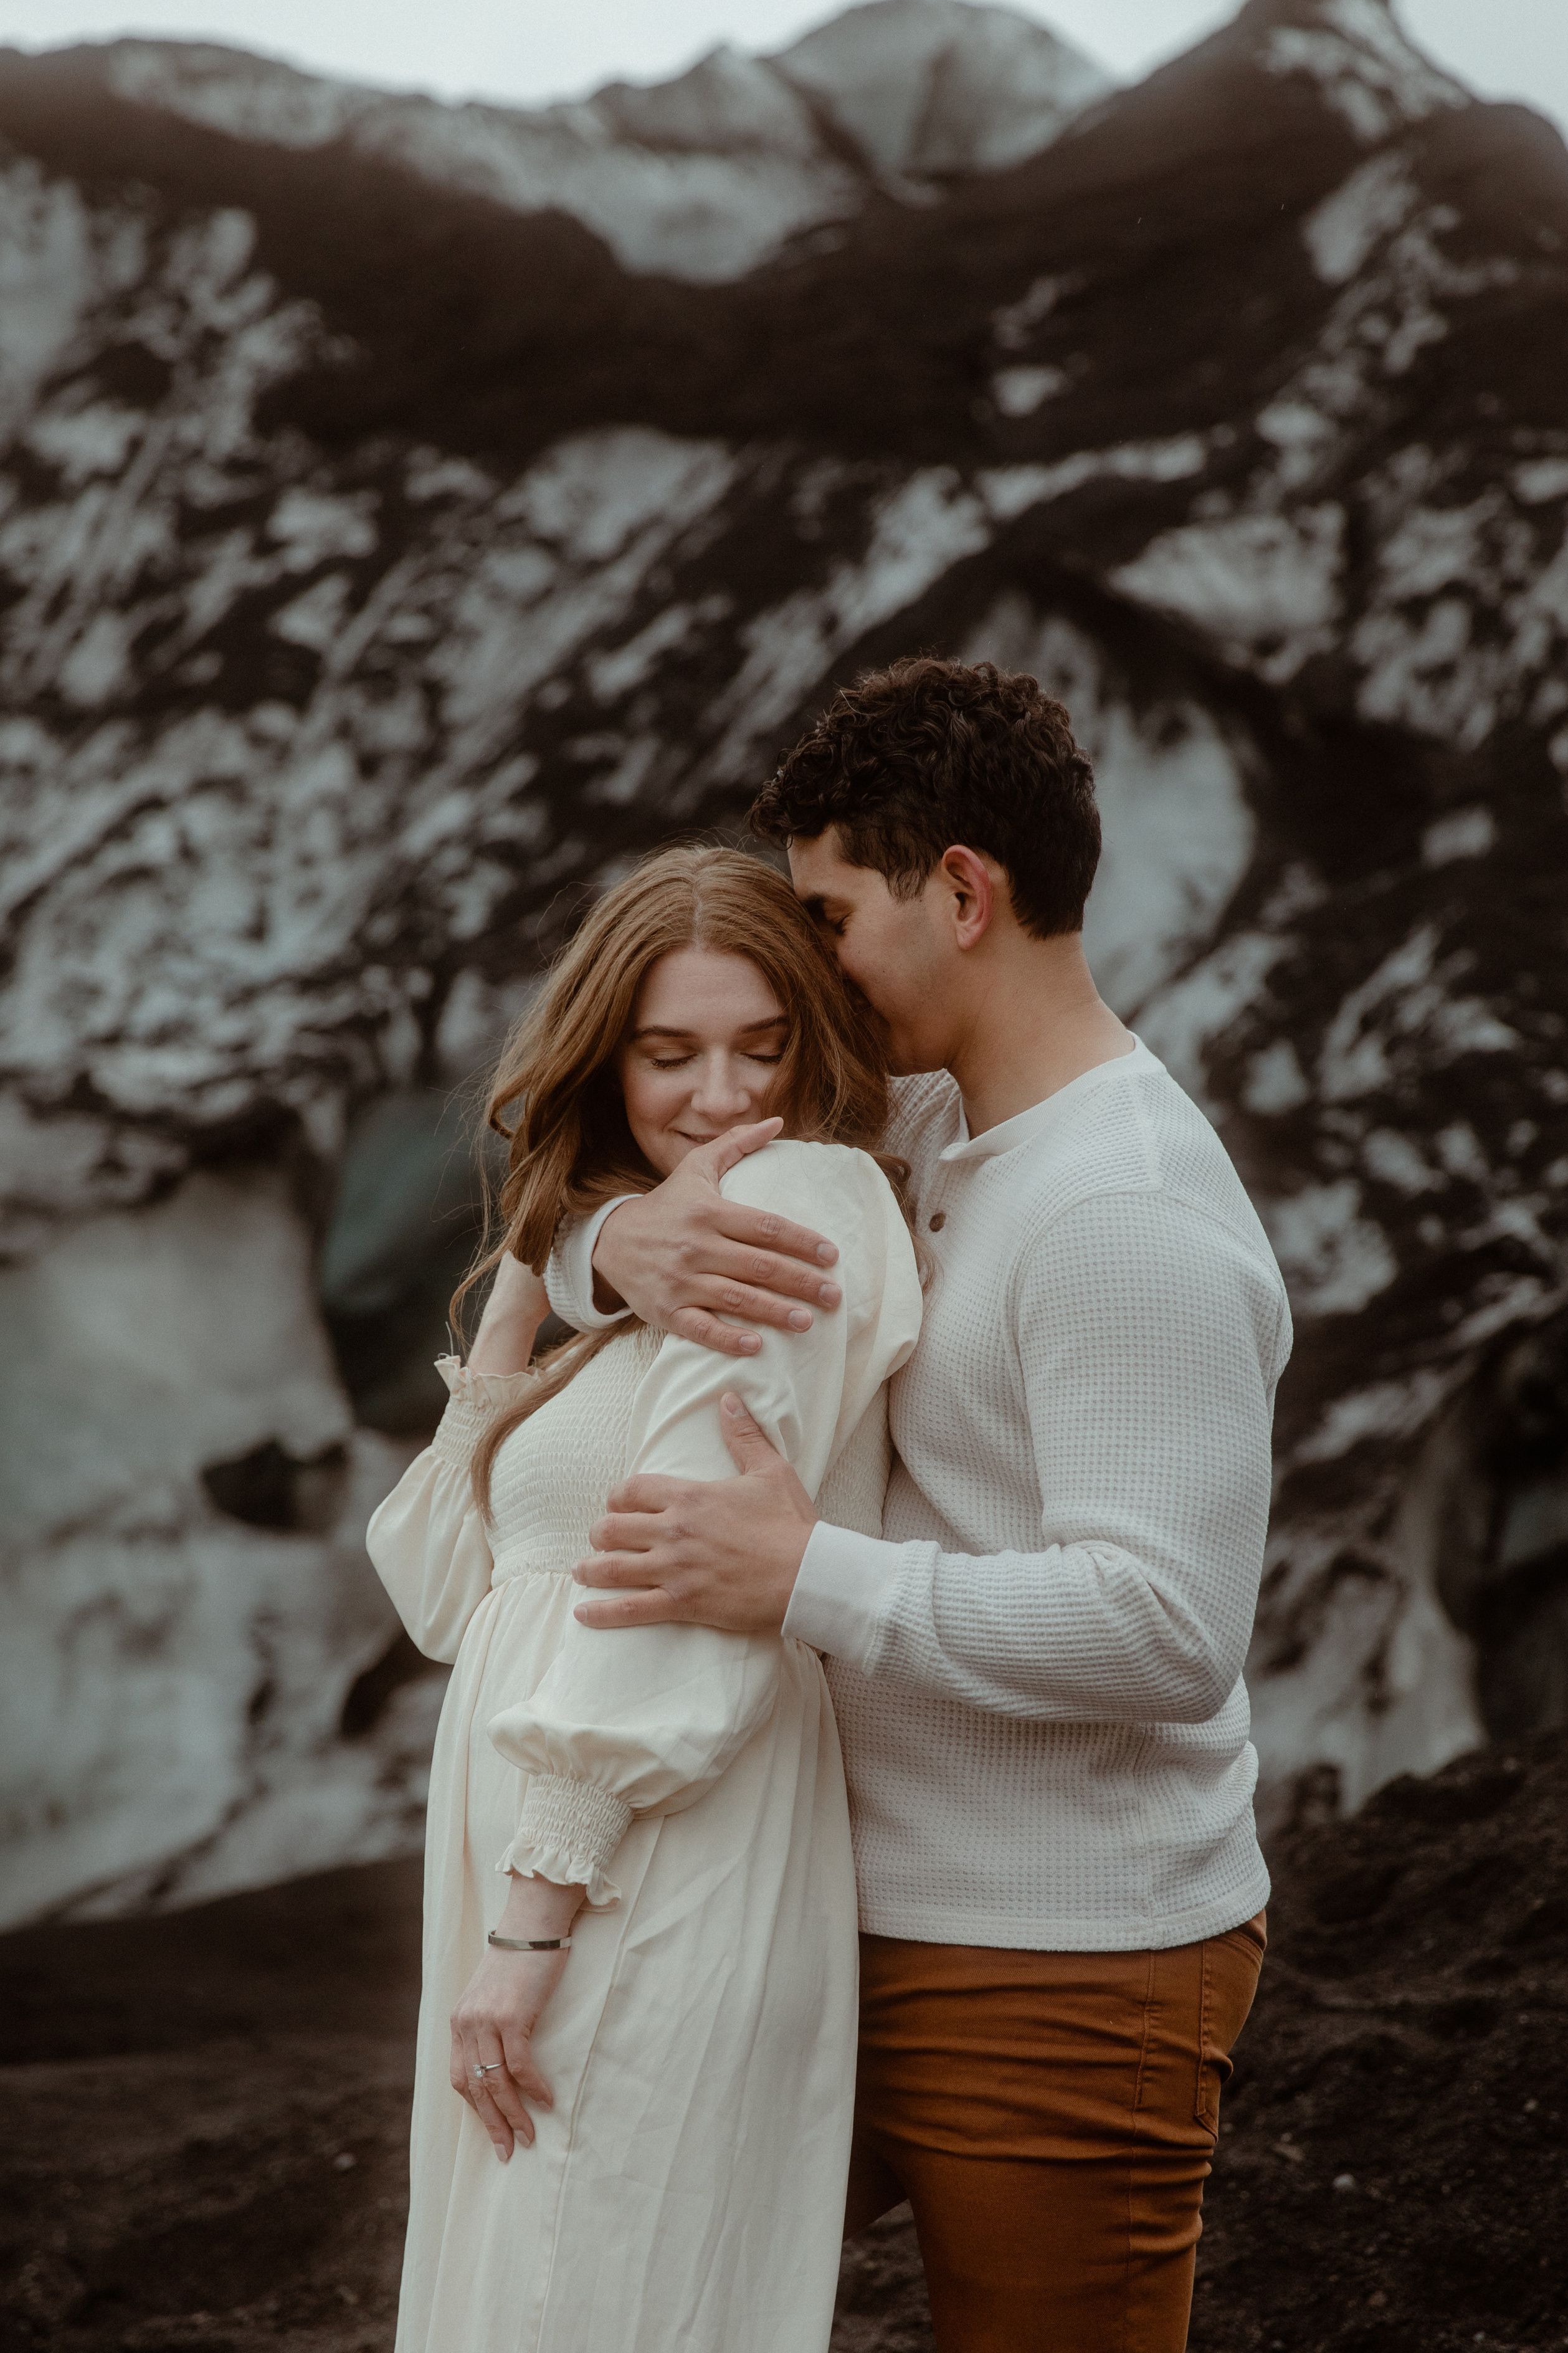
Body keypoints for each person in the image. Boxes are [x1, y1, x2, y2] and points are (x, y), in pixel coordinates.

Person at [544, 658, 1292, 2353]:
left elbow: (1166, 1630)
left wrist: (804, 1574)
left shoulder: (1124, 1214)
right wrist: (603, 1250)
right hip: (854, 1910)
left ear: (962, 892)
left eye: (828, 913)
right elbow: (625, 1169)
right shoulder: (939, 1131)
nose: (807, 963)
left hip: (1061, 1959)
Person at [365, 846, 921, 2353]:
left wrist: (532, 1920)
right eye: (668, 1054)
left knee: (586, 2292)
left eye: (763, 1045)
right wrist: (557, 1263)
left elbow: (690, 1587)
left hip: (643, 1850)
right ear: (604, 1059)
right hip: (554, 1851)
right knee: (532, 2287)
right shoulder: (623, 1267)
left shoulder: (796, 1198)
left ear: (816, 1037)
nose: (723, 1097)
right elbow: (438, 1585)